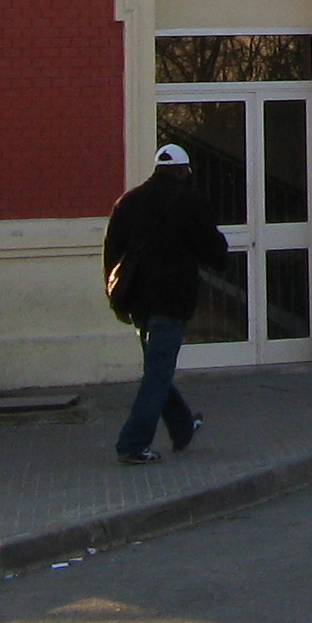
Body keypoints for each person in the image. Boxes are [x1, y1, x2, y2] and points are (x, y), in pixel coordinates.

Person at [103, 143, 227, 464]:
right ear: (184, 171)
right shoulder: (192, 203)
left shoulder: (127, 202)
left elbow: (112, 256)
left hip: (138, 303)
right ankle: (132, 444)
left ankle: (183, 427)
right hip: (172, 301)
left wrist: (117, 300)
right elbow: (215, 253)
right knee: (157, 374)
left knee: (157, 369)